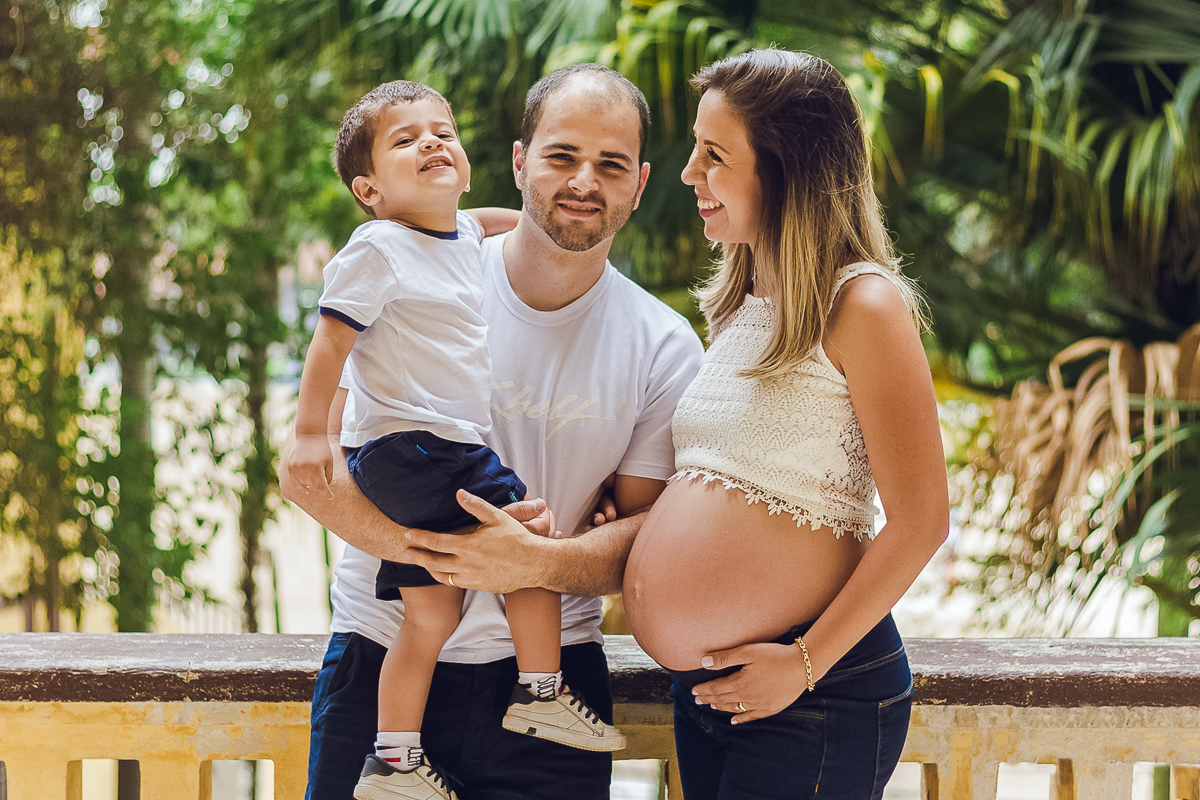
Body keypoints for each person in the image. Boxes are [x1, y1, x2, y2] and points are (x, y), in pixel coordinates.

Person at [279, 64, 705, 800]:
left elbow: (642, 542)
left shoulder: (664, 346)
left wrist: (544, 558)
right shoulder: (411, 271)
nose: (583, 181)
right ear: (518, 162)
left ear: (638, 183)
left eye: (609, 165)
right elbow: (307, 465)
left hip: (555, 676)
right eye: (561, 156)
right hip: (381, 658)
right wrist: (441, 555)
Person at [622, 49, 950, 799]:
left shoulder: (863, 306)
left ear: (784, 168)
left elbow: (922, 520)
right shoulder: (744, 304)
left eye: (714, 154)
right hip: (717, 692)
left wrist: (802, 665)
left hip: (813, 694)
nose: (687, 173)